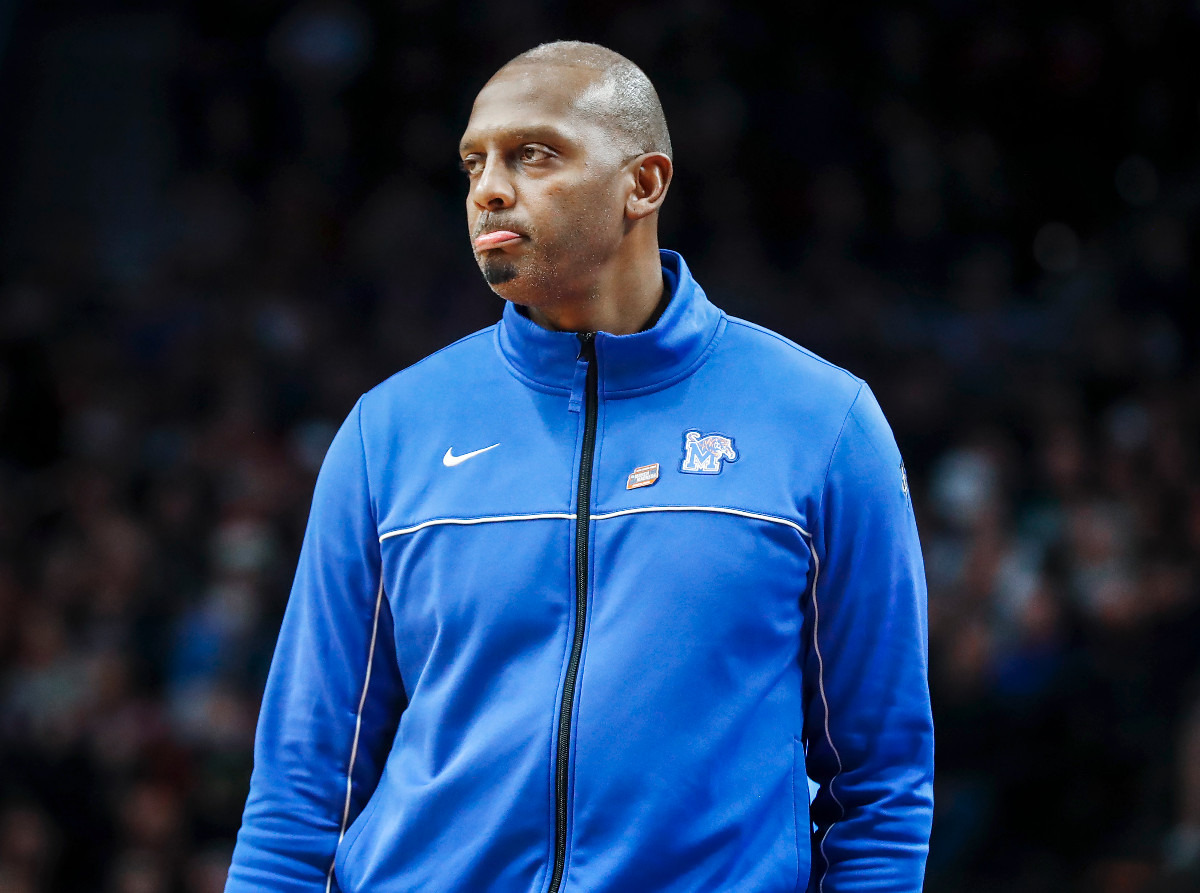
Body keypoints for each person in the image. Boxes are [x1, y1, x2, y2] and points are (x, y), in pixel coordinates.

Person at [225, 41, 934, 893]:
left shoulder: (823, 423)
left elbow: (882, 781)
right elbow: (304, 777)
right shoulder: (391, 430)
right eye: (474, 161)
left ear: (644, 183)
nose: (489, 185)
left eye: (533, 154)